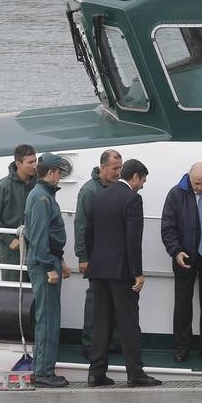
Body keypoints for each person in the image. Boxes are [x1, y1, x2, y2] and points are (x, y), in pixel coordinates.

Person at [86, 158, 160, 387]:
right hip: (121, 271)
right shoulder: (132, 199)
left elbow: (89, 233)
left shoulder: (99, 196)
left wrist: (94, 261)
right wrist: (137, 272)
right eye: (143, 180)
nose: (143, 185)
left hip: (98, 269)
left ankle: (96, 373)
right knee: (128, 322)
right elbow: (133, 239)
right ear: (135, 177)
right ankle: (135, 374)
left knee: (100, 322)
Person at [161, 161, 202, 362]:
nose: (199, 187)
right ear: (189, 177)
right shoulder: (175, 194)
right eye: (196, 183)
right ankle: (181, 347)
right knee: (182, 303)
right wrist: (175, 251)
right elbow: (168, 227)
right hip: (184, 255)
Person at [23, 153, 73, 388]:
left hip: (50, 260)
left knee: (49, 316)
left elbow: (47, 237)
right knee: (48, 318)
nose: (60, 177)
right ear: (51, 173)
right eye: (59, 172)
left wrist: (59, 260)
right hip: (44, 264)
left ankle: (42, 370)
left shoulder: (42, 195)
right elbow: (40, 235)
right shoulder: (42, 198)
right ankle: (43, 372)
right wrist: (48, 267)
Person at [74, 149, 122, 357]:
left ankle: (112, 341)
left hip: (115, 255)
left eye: (120, 167)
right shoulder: (89, 191)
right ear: (103, 167)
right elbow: (81, 225)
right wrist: (83, 256)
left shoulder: (119, 188)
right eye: (115, 168)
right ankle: (90, 343)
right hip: (95, 256)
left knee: (115, 299)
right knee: (95, 300)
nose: (119, 172)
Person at [0, 143, 38, 281]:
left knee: (36, 294)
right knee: (13, 294)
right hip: (12, 252)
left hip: (36, 248)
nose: (34, 165)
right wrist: (9, 240)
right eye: (30, 162)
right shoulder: (4, 186)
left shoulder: (39, 184)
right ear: (18, 163)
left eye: (35, 161)